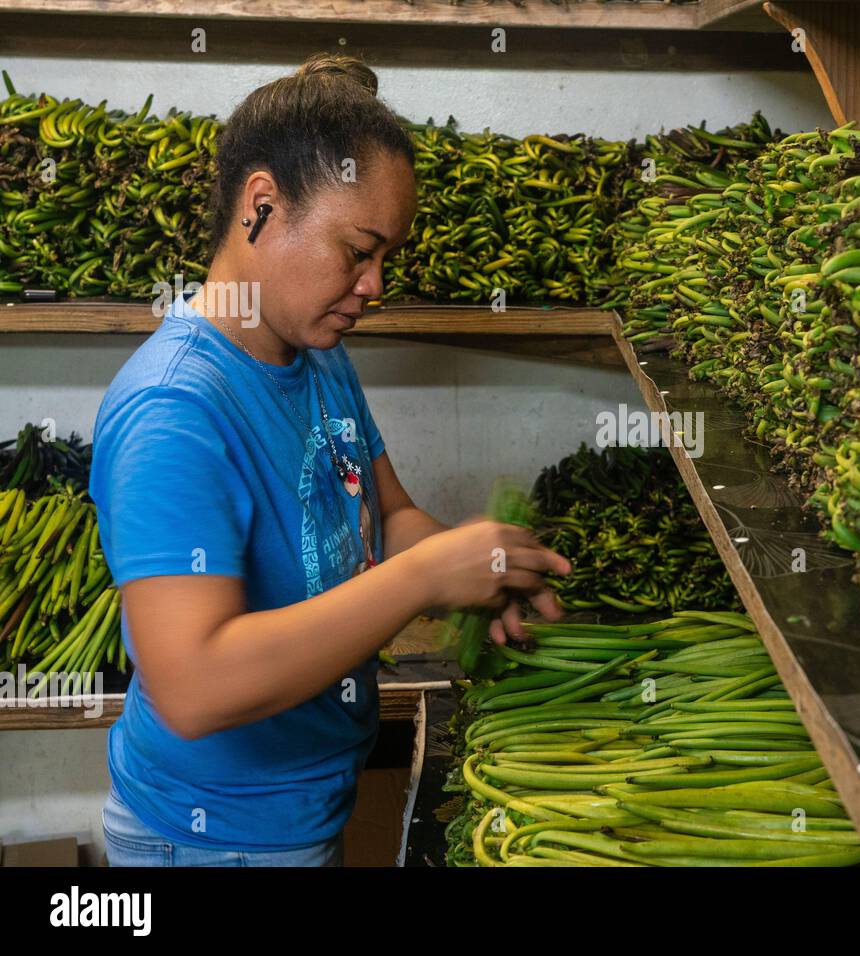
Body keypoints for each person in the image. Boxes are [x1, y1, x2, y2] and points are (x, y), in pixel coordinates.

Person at [90, 53, 570, 866]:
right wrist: (421, 581)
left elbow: (385, 514)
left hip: (302, 816)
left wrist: (471, 565)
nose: (375, 285)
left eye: (386, 257)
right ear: (262, 206)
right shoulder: (175, 411)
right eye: (357, 251)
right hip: (213, 842)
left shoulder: (316, 355)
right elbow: (193, 684)